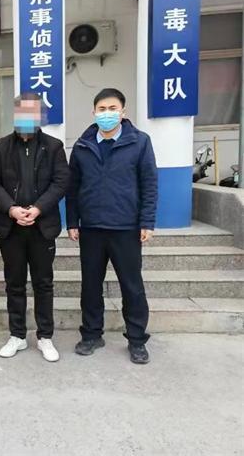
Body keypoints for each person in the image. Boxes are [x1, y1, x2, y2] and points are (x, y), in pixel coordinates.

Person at [66, 88, 158, 365]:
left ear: (123, 111)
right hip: (91, 228)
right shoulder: (82, 146)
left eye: (112, 108)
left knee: (132, 287)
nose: (107, 114)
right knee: (90, 286)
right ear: (94, 112)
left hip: (126, 228)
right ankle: (92, 334)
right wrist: (72, 221)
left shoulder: (139, 142)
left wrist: (147, 221)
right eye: (102, 109)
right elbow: (73, 188)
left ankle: (137, 340)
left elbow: (149, 184)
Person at [0, 93, 69, 362]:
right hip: (11, 228)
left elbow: (61, 182)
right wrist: (11, 209)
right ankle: (17, 335)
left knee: (43, 284)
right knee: (15, 283)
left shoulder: (54, 146)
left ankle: (45, 336)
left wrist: (38, 208)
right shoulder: (0, 146)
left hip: (41, 226)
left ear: (41, 116)